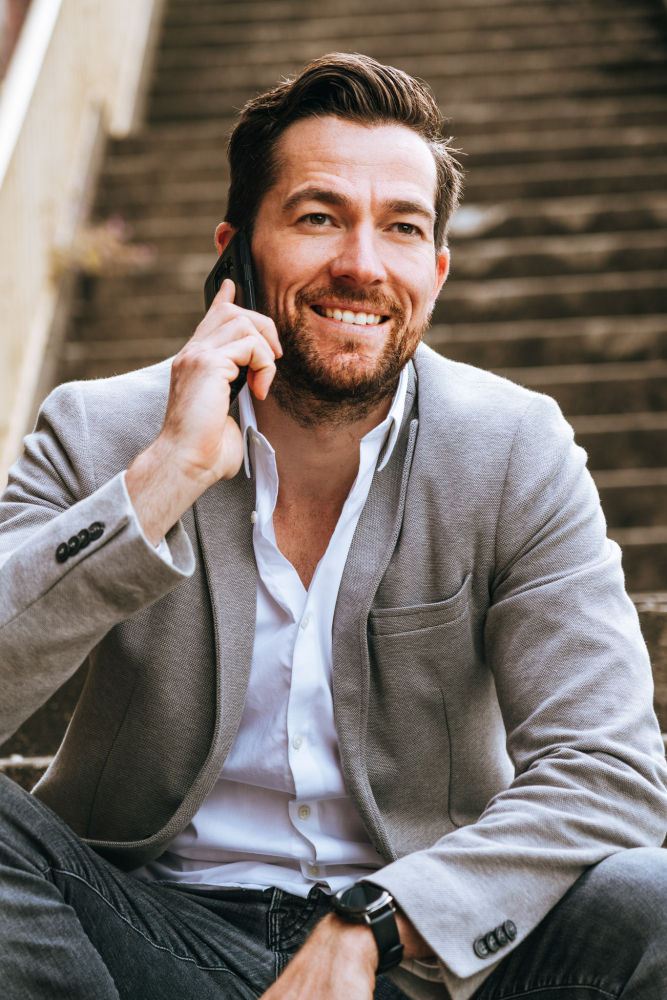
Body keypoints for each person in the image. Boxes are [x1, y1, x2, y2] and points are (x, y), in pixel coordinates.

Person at [1, 52, 666, 1000]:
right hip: (146, 932)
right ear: (234, 253)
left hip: (421, 952)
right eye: (318, 217)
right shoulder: (98, 430)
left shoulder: (514, 449)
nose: (361, 264)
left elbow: (608, 769)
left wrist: (377, 926)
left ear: (435, 271)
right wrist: (160, 481)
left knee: (652, 899)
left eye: (401, 229)